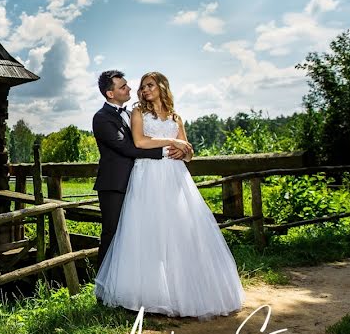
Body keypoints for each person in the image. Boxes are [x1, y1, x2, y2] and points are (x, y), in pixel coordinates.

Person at [94, 71, 244, 319]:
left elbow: (187, 151)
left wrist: (184, 151)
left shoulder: (174, 116)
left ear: (162, 87)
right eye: (138, 86)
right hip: (141, 176)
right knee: (137, 232)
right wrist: (170, 147)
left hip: (174, 177)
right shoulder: (128, 114)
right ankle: (120, 291)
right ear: (111, 93)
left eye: (147, 85)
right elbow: (137, 144)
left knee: (179, 229)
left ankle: (181, 289)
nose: (139, 90)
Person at [90, 70, 190, 272]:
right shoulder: (101, 118)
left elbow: (184, 147)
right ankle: (103, 284)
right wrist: (167, 150)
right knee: (112, 233)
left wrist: (185, 152)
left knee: (137, 234)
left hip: (140, 179)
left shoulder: (131, 113)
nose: (131, 88)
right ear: (110, 94)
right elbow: (127, 147)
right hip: (115, 184)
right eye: (123, 86)